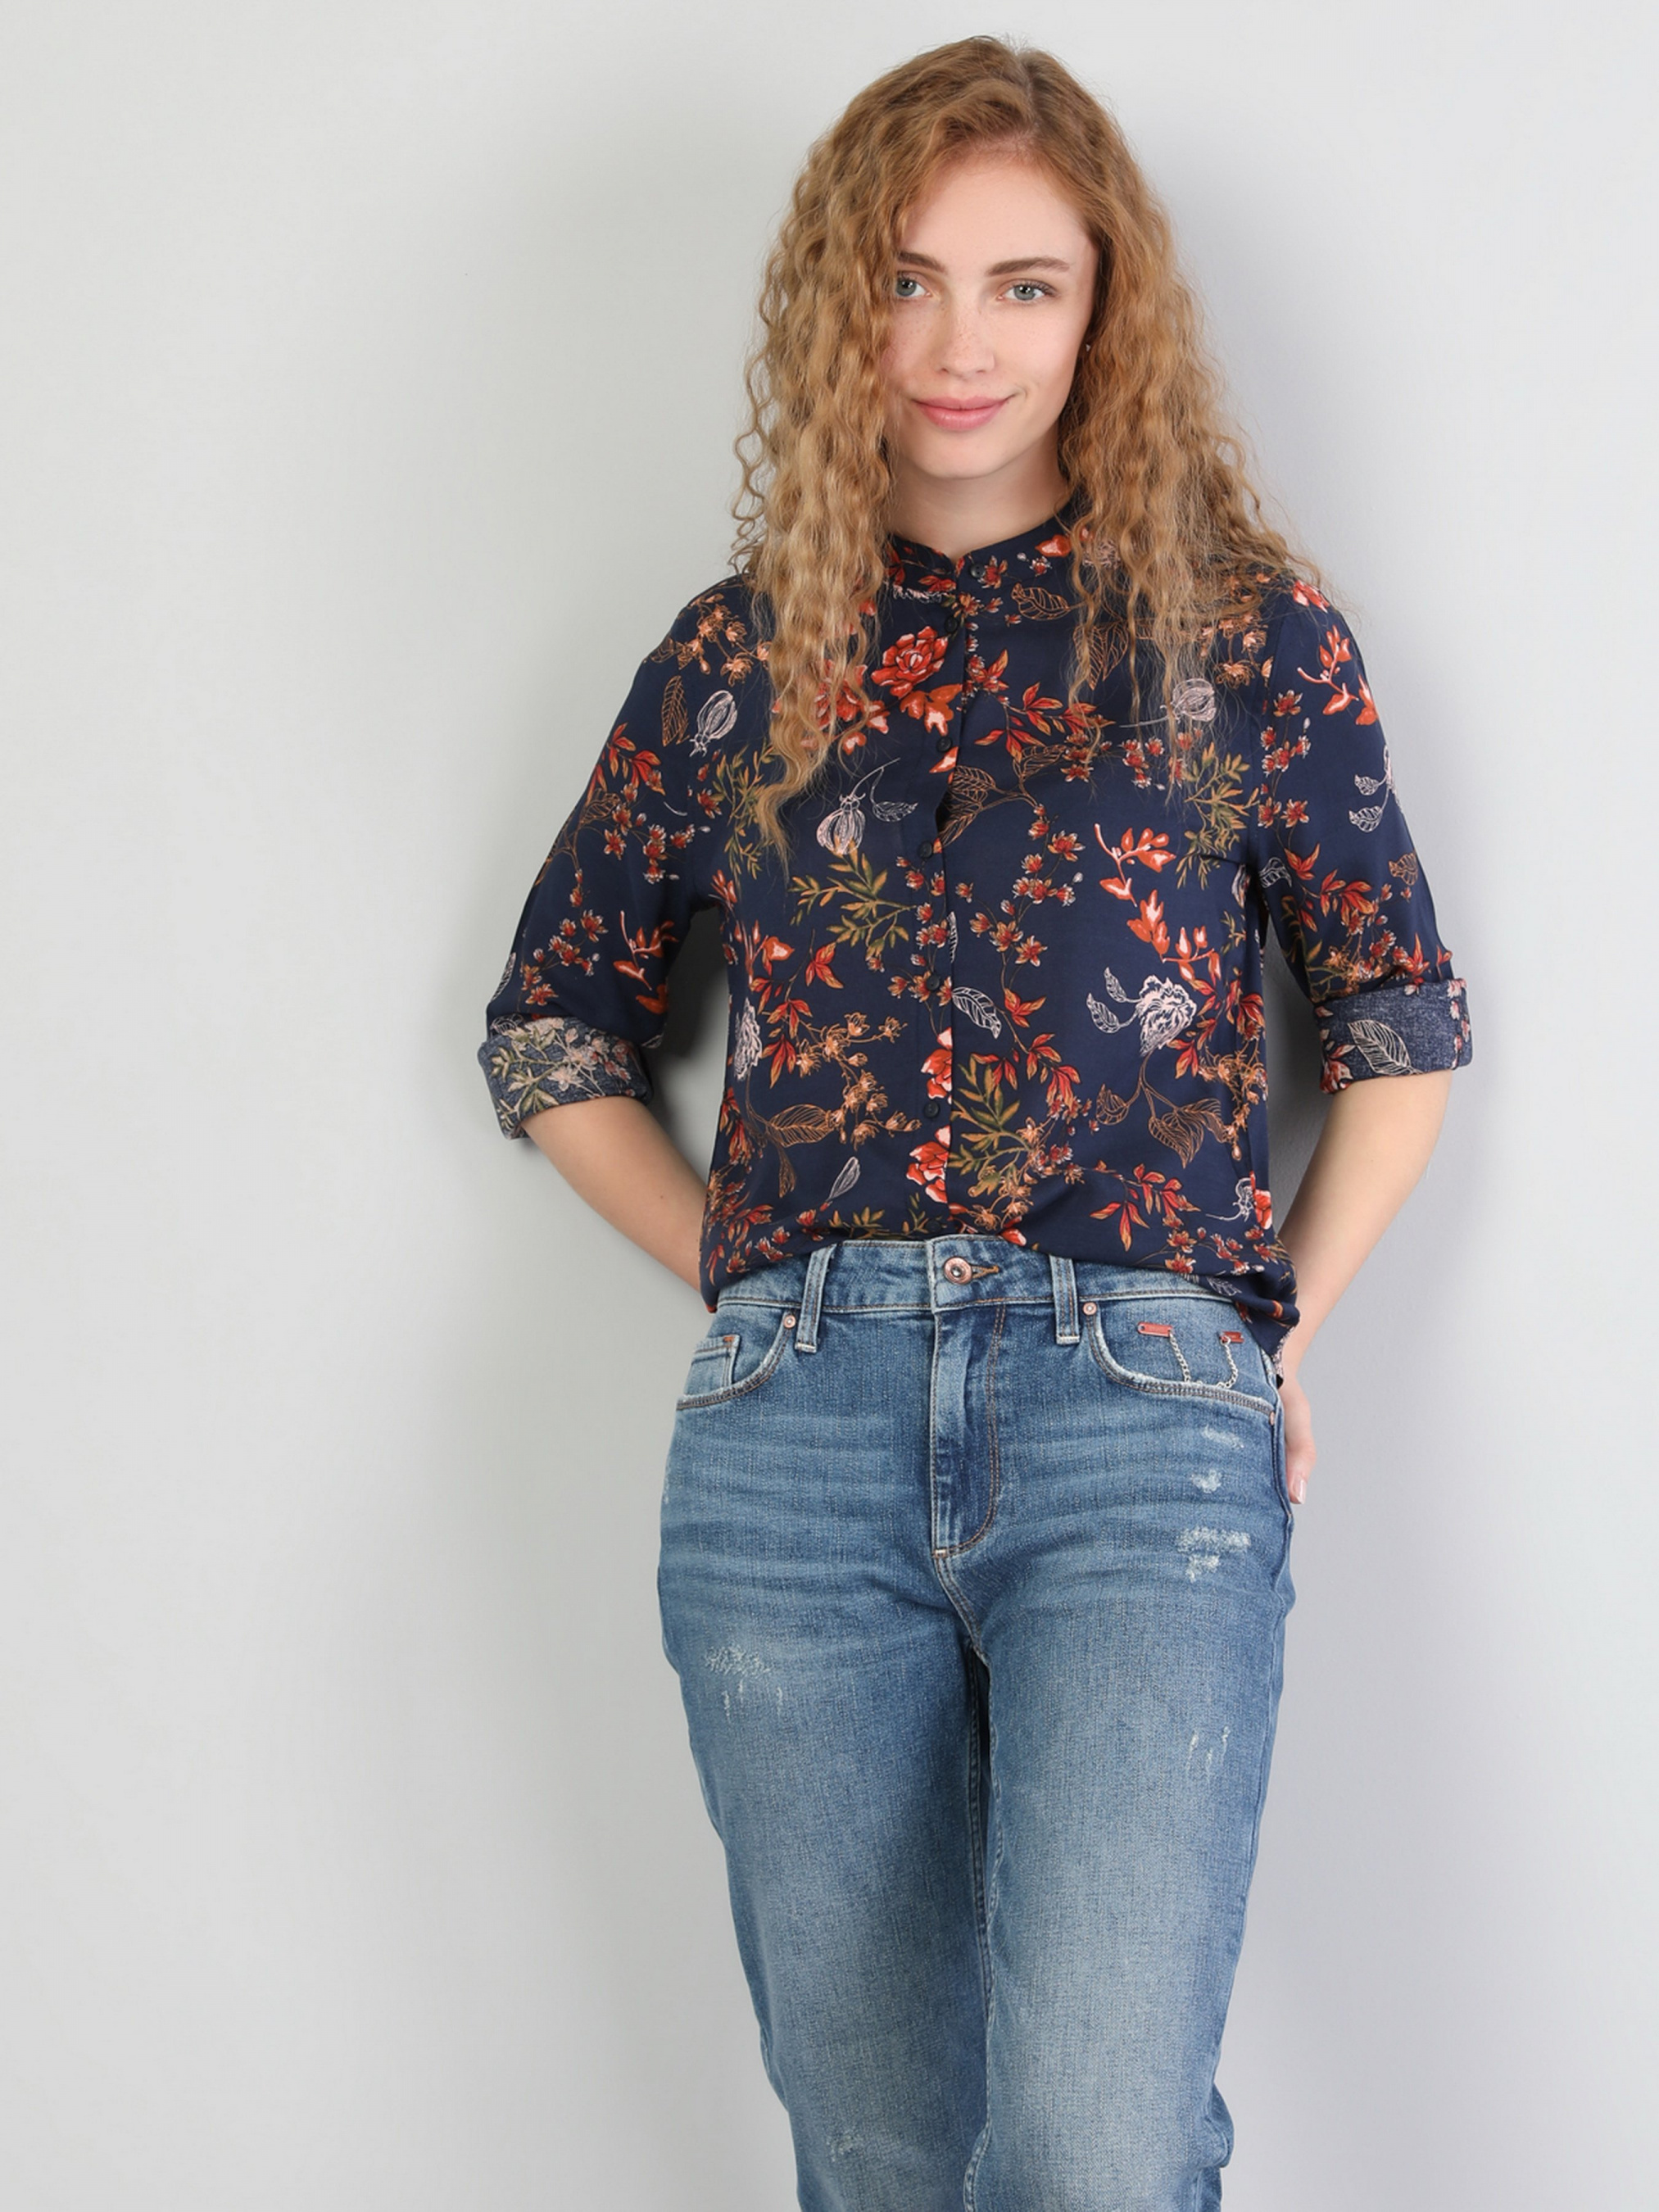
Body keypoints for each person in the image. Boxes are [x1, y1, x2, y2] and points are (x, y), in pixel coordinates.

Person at [477, 36, 1471, 2212]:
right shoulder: (737, 658)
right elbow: (553, 1029)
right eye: (907, 281)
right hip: (790, 1447)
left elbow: (1396, 1028)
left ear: (1106, 310)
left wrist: (1262, 1328)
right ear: (837, 303)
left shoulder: (1240, 638)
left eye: (1026, 284)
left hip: (1141, 1421)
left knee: (1098, 2144)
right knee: (882, 2151)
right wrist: (749, 1277)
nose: (960, 345)